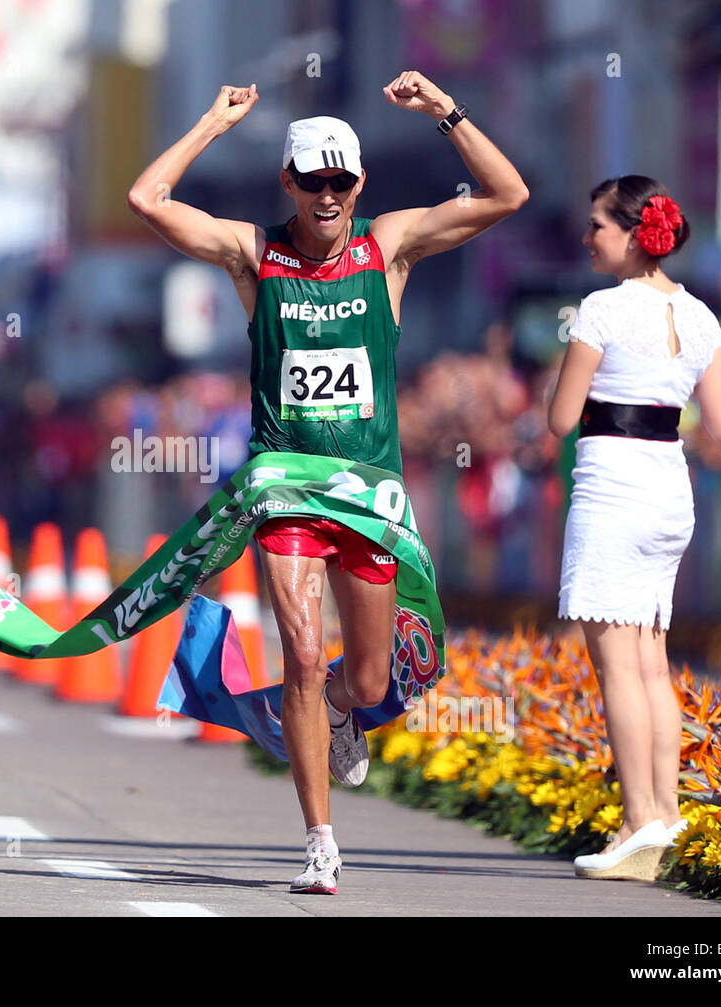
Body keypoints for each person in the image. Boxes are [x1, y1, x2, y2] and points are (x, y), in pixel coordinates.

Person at [129, 72, 529, 893]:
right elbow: (146, 197)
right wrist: (211, 120)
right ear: (289, 182)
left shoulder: (389, 246)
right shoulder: (254, 254)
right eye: (311, 180)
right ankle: (319, 839)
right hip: (285, 494)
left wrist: (443, 111)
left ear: (359, 184)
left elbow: (507, 192)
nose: (327, 195)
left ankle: (343, 711)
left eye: (340, 180)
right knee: (304, 657)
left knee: (371, 678)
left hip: (367, 494)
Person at [547, 176, 721, 881]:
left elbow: (561, 418)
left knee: (618, 663)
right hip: (669, 489)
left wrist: (561, 380)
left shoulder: (600, 309)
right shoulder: (700, 316)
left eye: (597, 224)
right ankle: (665, 808)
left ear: (631, 232)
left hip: (613, 489)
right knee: (652, 658)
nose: (588, 236)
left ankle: (639, 819)